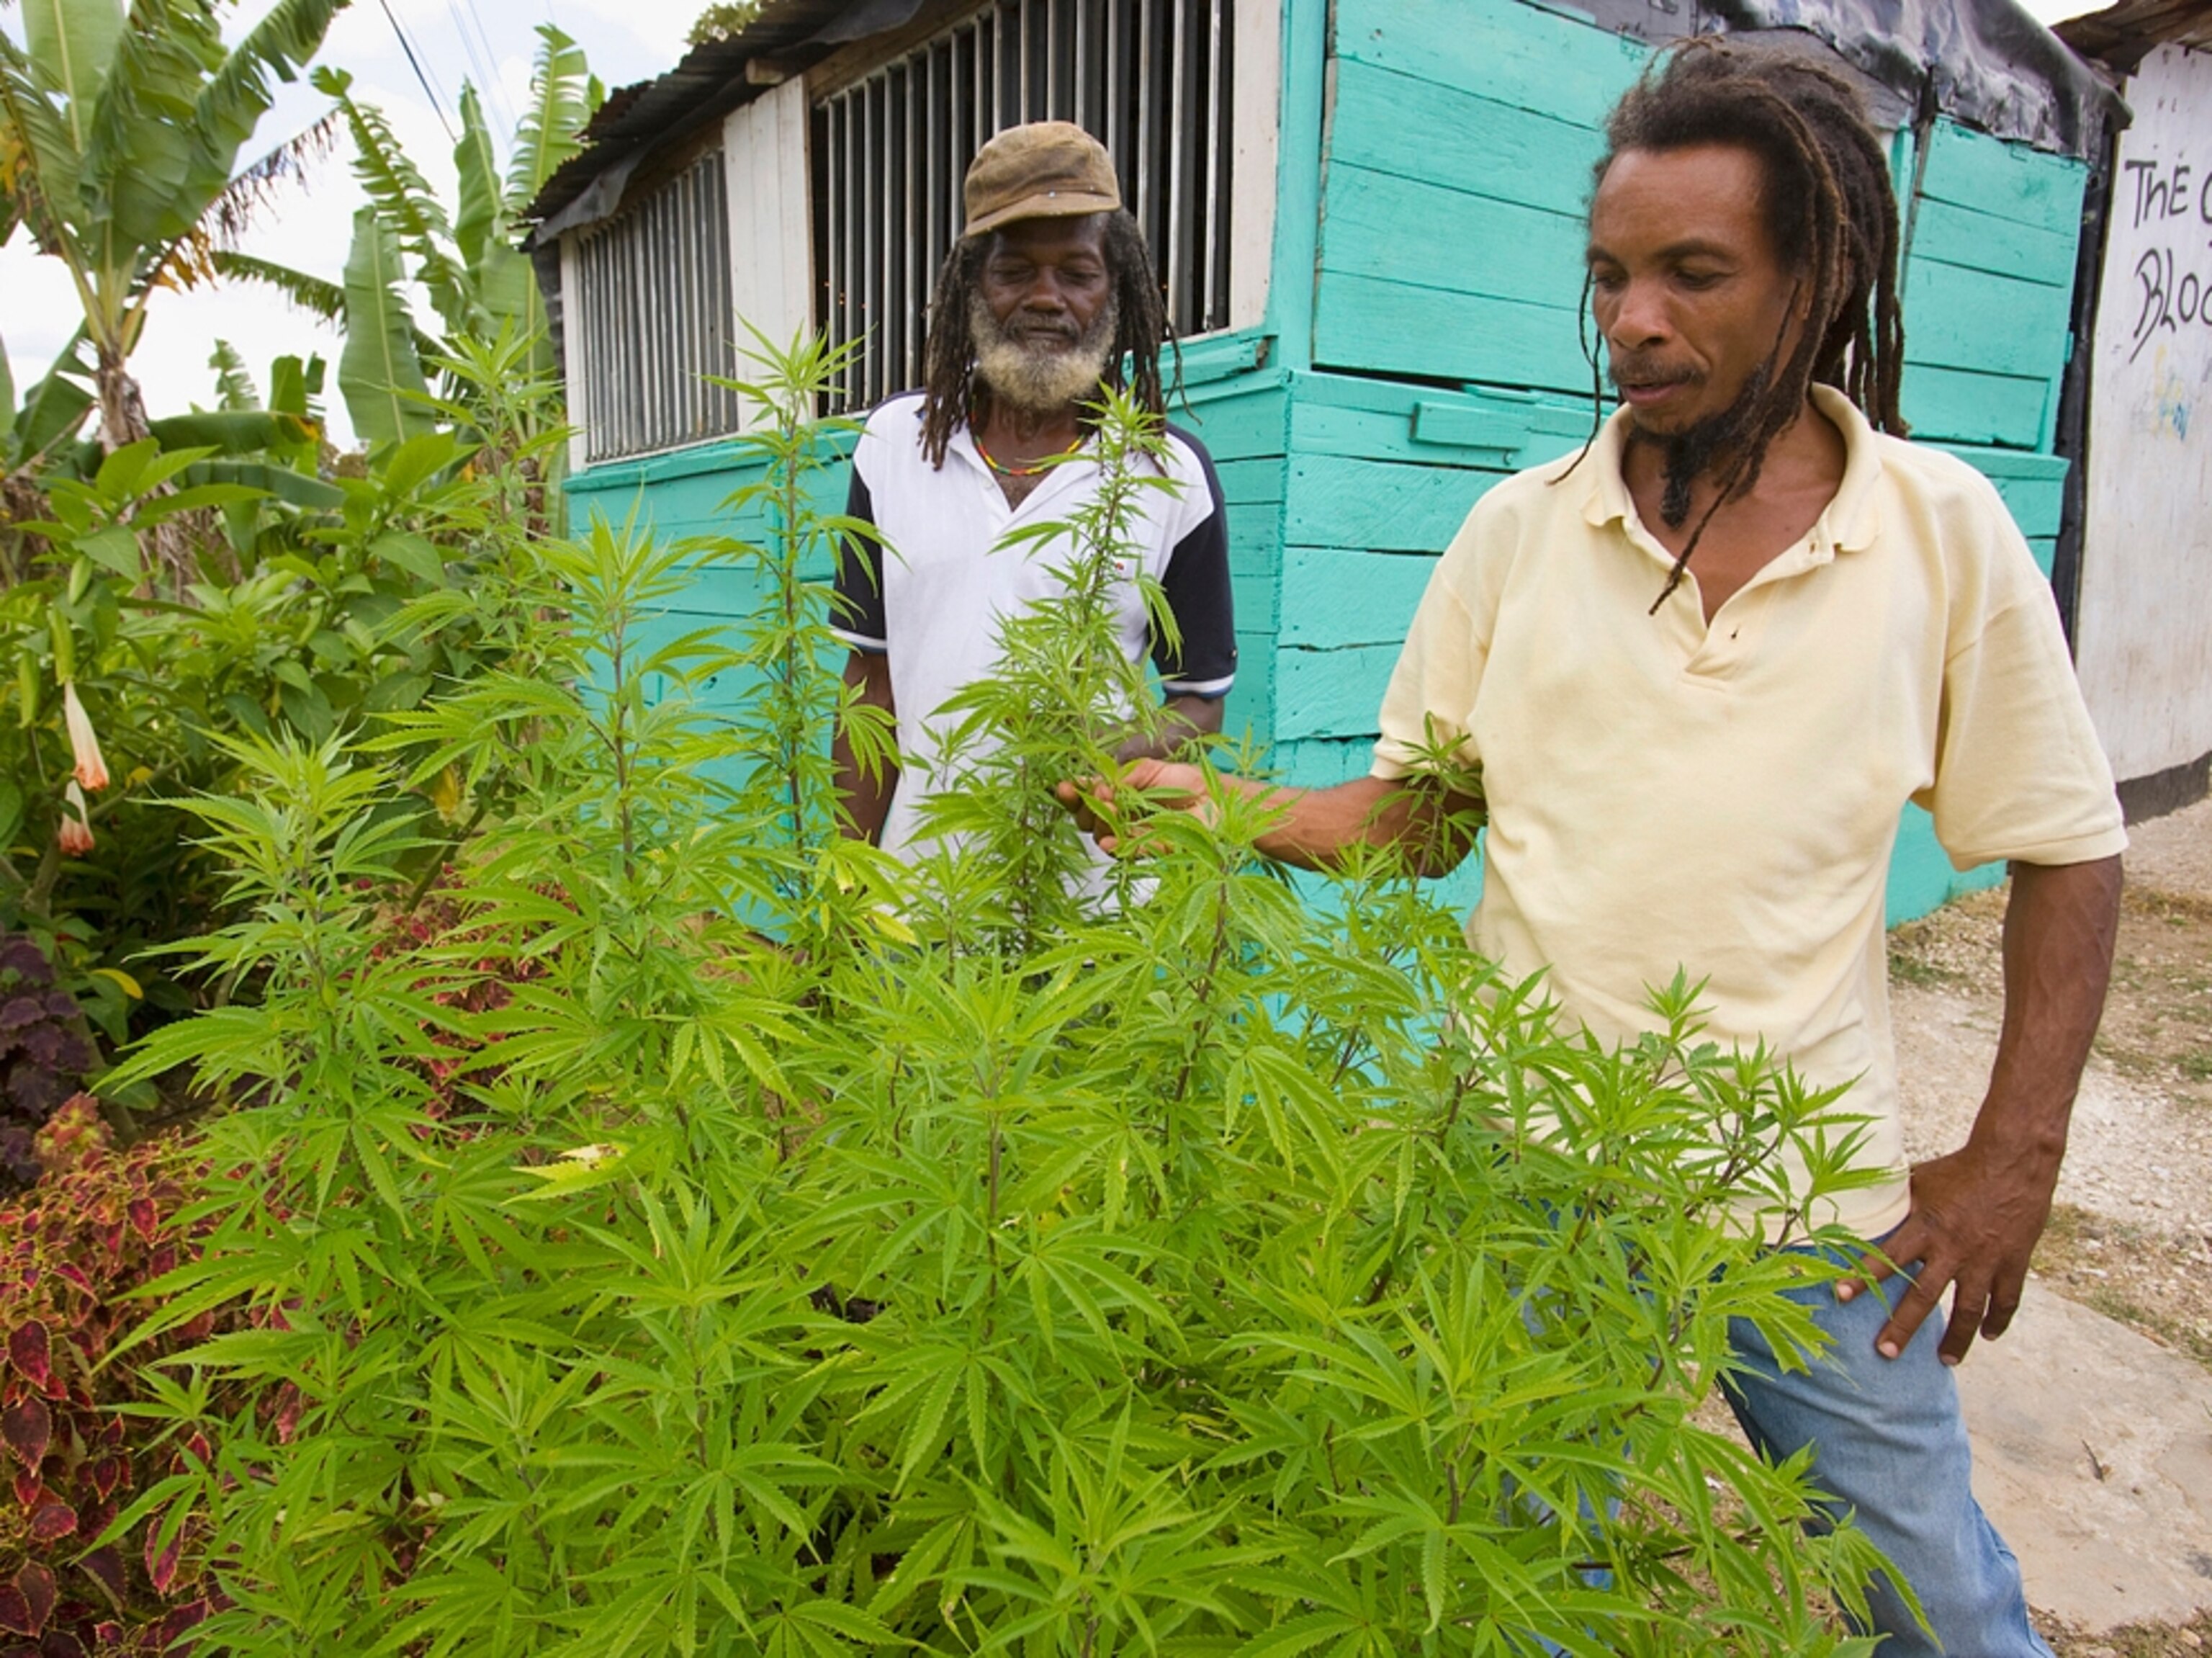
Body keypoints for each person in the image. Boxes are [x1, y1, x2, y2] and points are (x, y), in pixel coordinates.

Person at [1062, 40, 2123, 1657]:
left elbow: (2066, 846)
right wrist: (1226, 809)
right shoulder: (1520, 533)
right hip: (1534, 1180)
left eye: (1695, 273)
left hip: (1811, 1200)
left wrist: (2011, 1161)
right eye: (1615, 274)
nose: (1635, 317)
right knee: (1511, 1583)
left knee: (1940, 1606)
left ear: (1818, 274)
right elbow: (1424, 819)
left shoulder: (1937, 532)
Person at [830, 121, 1236, 859]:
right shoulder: (892, 447)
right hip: (922, 907)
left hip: (1094, 922)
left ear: (1117, 289)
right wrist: (849, 884)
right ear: (971, 287)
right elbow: (870, 687)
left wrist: (1123, 747)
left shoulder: (1170, 474)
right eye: (1015, 270)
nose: (1046, 298)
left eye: (1077, 273)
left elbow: (1201, 700)